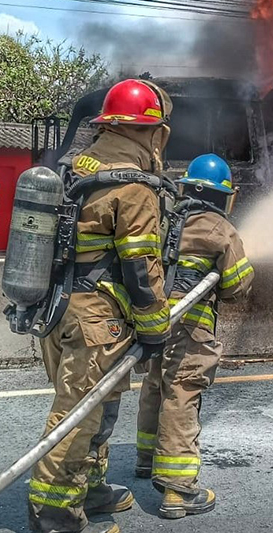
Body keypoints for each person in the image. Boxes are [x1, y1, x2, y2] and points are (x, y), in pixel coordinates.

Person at [29, 79, 174, 533]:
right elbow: (141, 264)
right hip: (96, 319)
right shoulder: (133, 186)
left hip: (59, 308)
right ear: (153, 132)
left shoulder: (75, 164)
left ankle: (89, 491)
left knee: (101, 405)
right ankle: (53, 516)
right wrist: (156, 328)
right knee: (79, 414)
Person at [135, 154, 254, 520]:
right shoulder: (220, 229)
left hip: (154, 321)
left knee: (155, 384)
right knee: (182, 392)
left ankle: (145, 459)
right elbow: (236, 285)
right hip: (191, 326)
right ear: (223, 197)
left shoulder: (166, 220)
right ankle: (177, 490)